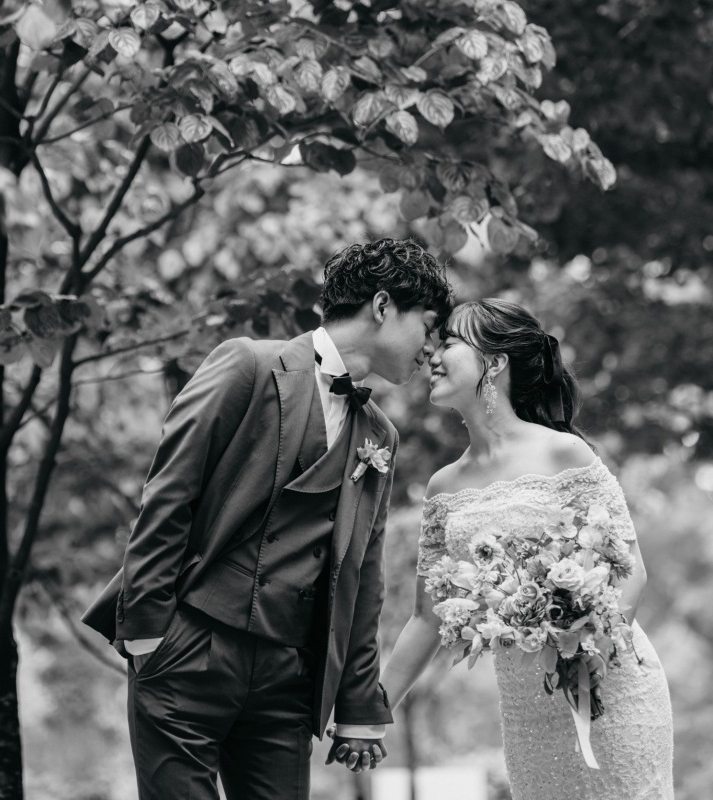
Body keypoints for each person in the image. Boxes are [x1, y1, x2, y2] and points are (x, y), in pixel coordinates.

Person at [81, 238, 453, 800]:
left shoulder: (380, 435)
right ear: (382, 306)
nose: (431, 348)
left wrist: (357, 703)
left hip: (287, 674)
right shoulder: (248, 364)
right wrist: (148, 636)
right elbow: (168, 495)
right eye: (427, 326)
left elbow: (361, 575)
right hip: (187, 645)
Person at [379, 298, 674, 800]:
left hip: (612, 689)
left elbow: (632, 571)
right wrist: (370, 710)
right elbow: (427, 619)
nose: (431, 354)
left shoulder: (564, 452)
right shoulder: (442, 488)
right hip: (526, 709)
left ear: (494, 362)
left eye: (449, 342)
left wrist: (585, 661)